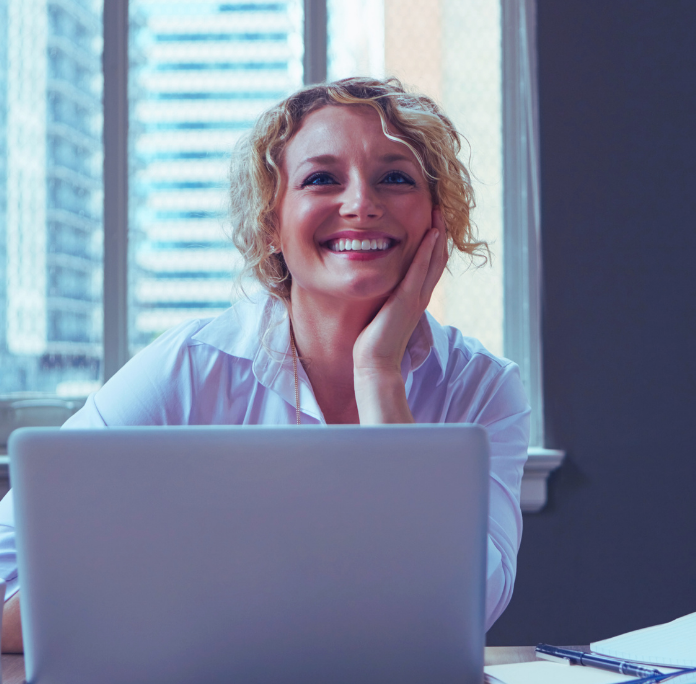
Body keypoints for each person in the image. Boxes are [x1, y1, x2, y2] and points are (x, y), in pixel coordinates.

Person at [0, 78, 530, 653]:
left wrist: (378, 372)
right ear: (271, 224)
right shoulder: (187, 367)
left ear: (436, 219)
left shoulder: (483, 388)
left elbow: (463, 609)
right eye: (321, 179)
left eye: (395, 178)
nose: (361, 204)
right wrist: (182, 577)